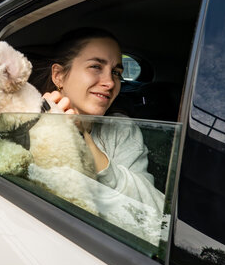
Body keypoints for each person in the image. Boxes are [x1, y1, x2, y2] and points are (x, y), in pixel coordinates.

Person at [36, 28, 164, 213]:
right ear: (59, 75)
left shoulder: (121, 129)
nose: (110, 83)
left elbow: (153, 214)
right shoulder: (27, 118)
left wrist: (83, 138)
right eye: (96, 66)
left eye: (116, 73)